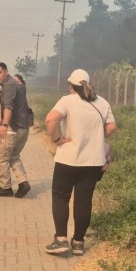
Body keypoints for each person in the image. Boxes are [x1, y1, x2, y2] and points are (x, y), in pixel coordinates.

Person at [44, 69, 116, 255]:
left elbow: (51, 120)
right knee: (84, 202)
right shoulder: (102, 102)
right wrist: (97, 135)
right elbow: (111, 127)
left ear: (70, 86)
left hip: (68, 160)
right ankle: (78, 242)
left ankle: (61, 240)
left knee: (61, 197)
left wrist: (57, 140)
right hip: (92, 162)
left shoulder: (67, 101)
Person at [0, 62, 31, 198]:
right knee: (13, 156)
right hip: (23, 128)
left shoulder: (9, 85)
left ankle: (5, 188)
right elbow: (16, 108)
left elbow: (9, 107)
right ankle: (23, 183)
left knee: (1, 158)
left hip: (13, 129)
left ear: (6, 71)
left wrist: (4, 125)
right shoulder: (15, 84)